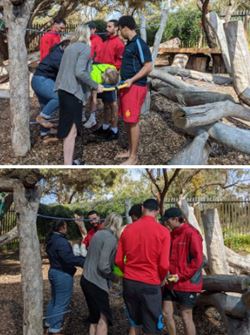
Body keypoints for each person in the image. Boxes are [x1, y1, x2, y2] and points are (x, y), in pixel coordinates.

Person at [115, 199, 171, 335]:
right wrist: (162, 278)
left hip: (130, 283)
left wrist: (126, 272)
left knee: (135, 323)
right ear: (157, 211)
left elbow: (118, 260)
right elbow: (164, 264)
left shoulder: (127, 229)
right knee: (152, 328)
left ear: (142, 208)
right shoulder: (164, 232)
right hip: (150, 283)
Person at [55, 24, 104, 165]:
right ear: (87, 35)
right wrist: (95, 85)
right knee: (72, 131)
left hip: (63, 90)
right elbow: (80, 72)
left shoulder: (69, 48)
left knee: (67, 129)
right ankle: (68, 164)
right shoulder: (85, 48)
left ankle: (68, 162)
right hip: (73, 92)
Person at [116, 16, 153, 165]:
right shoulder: (129, 43)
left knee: (133, 121)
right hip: (126, 87)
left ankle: (134, 157)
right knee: (127, 120)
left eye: (119, 29)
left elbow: (148, 66)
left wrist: (131, 80)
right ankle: (130, 151)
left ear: (125, 27)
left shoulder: (139, 43)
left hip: (135, 87)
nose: (119, 32)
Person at [161, 208, 203, 335]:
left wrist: (180, 276)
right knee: (166, 313)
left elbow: (197, 261)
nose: (165, 223)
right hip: (171, 282)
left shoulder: (192, 234)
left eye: (167, 221)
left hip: (187, 284)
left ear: (175, 219)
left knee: (186, 316)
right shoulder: (172, 233)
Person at [80, 213, 123, 335]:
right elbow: (103, 265)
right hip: (96, 283)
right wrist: (115, 276)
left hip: (86, 279)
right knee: (103, 319)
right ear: (118, 225)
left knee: (94, 318)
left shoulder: (98, 234)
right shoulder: (110, 238)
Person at [44, 220, 85, 335]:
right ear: (61, 227)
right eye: (65, 226)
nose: (66, 228)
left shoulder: (52, 239)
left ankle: (48, 324)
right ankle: (55, 329)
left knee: (55, 300)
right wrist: (84, 261)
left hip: (53, 271)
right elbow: (68, 259)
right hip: (62, 274)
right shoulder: (61, 241)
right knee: (61, 303)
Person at [32, 38, 70, 141]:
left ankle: (44, 134)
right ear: (65, 47)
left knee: (45, 106)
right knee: (58, 97)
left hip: (38, 80)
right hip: (42, 80)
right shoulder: (58, 57)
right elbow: (65, 72)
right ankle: (41, 118)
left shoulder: (57, 52)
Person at [93, 19, 125, 140]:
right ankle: (105, 126)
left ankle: (114, 129)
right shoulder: (106, 41)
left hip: (111, 78)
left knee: (113, 104)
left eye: (109, 26)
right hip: (102, 77)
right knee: (106, 103)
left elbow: (121, 63)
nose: (107, 28)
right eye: (107, 26)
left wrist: (116, 79)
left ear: (116, 28)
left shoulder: (119, 43)